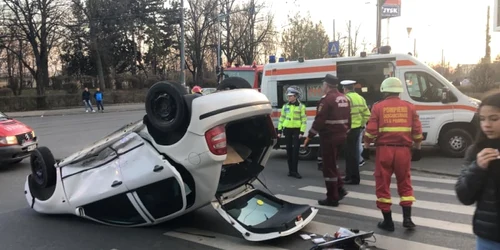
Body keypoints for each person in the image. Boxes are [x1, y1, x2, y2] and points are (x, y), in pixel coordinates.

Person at [363, 77, 423, 231]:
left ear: (384, 91)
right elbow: (417, 130)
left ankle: (388, 222)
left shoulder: (378, 107)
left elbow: (371, 131)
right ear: (399, 91)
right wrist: (418, 146)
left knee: (383, 183)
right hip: (404, 150)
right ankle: (407, 219)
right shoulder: (410, 107)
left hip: (384, 150)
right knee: (405, 182)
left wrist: (366, 145)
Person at [456, 91, 500, 249]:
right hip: (489, 238)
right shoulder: (476, 151)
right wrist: (478, 168)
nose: (487, 124)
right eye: (482, 119)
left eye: (494, 119)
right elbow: (464, 195)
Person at [304, 74, 350, 206]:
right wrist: (346, 131)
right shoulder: (344, 98)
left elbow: (320, 120)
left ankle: (332, 198)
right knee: (333, 164)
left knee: (328, 168)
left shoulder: (327, 100)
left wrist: (310, 136)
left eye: (323, 84)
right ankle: (340, 188)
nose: (322, 87)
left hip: (329, 137)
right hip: (342, 136)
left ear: (327, 85)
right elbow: (349, 119)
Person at [341, 80, 370, 185]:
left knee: (350, 155)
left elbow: (343, 115)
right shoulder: (360, 98)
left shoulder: (346, 98)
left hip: (348, 129)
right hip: (357, 129)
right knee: (352, 153)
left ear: (345, 89)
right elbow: (367, 114)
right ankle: (349, 176)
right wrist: (362, 125)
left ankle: (353, 178)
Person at [277, 86, 307, 179]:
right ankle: (290, 171)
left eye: (290, 96)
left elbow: (304, 120)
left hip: (297, 130)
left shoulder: (301, 106)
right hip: (287, 130)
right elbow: (281, 118)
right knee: (289, 151)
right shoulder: (285, 106)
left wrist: (302, 131)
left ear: (295, 96)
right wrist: (279, 130)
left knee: (295, 151)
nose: (288, 97)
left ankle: (295, 171)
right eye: (288, 96)